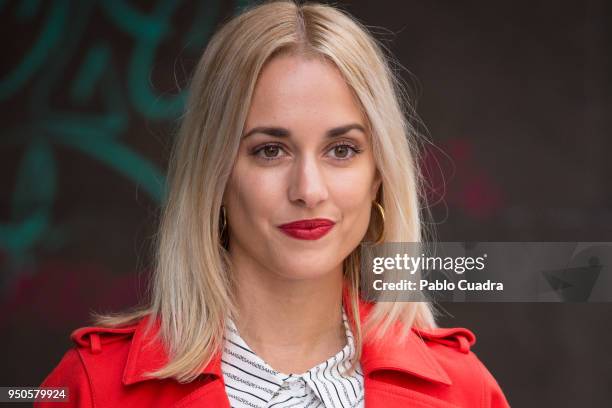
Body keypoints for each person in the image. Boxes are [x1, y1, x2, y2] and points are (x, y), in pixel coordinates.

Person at [36, 1, 510, 407]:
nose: (308, 189)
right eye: (270, 150)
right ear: (214, 176)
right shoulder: (90, 387)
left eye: (341, 150)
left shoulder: (465, 392)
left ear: (378, 179)